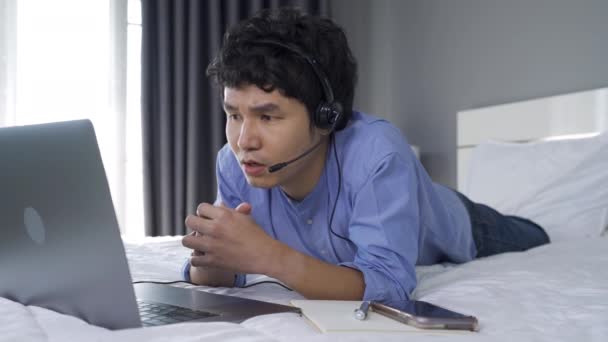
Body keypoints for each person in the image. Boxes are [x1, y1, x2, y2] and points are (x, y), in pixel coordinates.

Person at [181, 7, 550, 303]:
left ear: (328, 116)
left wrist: (268, 256)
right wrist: (211, 255)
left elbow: (388, 284)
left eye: (267, 116)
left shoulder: (377, 154)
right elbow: (221, 271)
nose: (244, 139)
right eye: (234, 115)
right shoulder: (233, 163)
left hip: (464, 226)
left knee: (538, 235)